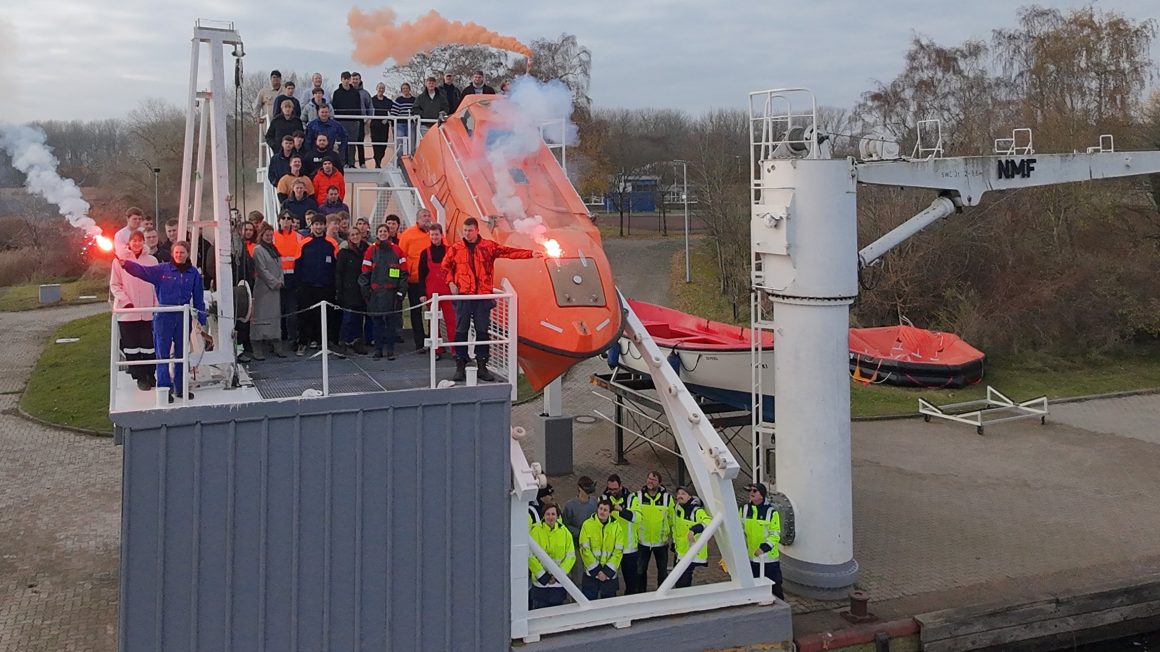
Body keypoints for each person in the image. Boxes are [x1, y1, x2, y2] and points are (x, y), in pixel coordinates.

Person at [442, 217, 541, 382]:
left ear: (476, 230)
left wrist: (530, 253)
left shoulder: (488, 246)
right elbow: (445, 267)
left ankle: (482, 365)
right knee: (461, 331)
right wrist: (451, 282)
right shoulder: (456, 248)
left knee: (482, 331)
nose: (467, 234)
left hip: (483, 297)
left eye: (470, 230)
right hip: (464, 296)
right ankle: (460, 365)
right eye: (465, 230)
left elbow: (508, 252)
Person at [117, 240, 207, 402]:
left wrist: (202, 317)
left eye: (183, 253)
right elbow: (143, 271)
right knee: (162, 353)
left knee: (181, 353)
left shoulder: (193, 273)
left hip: (182, 316)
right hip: (164, 316)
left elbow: (199, 298)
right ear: (173, 253)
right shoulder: (162, 270)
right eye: (177, 252)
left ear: (187, 254)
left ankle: (180, 387)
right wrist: (126, 264)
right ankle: (164, 388)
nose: (179, 255)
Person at [110, 230, 157, 391]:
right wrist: (125, 301)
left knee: (149, 346)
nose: (137, 243)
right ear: (129, 243)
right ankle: (140, 377)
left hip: (148, 312)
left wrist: (157, 307)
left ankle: (151, 373)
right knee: (132, 347)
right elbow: (115, 285)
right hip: (128, 313)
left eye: (140, 240)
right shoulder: (119, 262)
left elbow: (156, 284)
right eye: (134, 240)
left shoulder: (152, 260)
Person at [359, 223, 408, 360]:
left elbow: (403, 274)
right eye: (380, 231)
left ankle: (390, 351)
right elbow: (365, 272)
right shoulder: (370, 251)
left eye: (385, 231)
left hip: (392, 294)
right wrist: (366, 290)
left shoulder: (398, 251)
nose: (382, 233)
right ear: (377, 233)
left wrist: (400, 293)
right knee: (377, 323)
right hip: (375, 293)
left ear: (389, 233)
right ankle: (378, 350)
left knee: (391, 323)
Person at [294, 216, 337, 356]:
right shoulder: (304, 243)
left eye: (321, 224)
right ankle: (303, 342)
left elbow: (337, 265)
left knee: (324, 316)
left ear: (325, 226)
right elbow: (298, 265)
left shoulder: (331, 243)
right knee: (305, 316)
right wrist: (299, 285)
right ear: (311, 226)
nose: (318, 227)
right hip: (307, 286)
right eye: (316, 224)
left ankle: (321, 342)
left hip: (326, 286)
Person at [417, 222, 456, 358]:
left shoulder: (450, 251)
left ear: (441, 235)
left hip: (447, 291)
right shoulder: (424, 253)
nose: (434, 237)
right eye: (432, 235)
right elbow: (421, 274)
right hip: (431, 291)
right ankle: (436, 349)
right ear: (429, 235)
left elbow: (456, 270)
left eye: (437, 234)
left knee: (451, 320)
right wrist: (421, 293)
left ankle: (454, 349)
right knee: (433, 321)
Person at [398, 208, 433, 351]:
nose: (426, 218)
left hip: (430, 279)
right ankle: (419, 341)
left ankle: (432, 339)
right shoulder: (408, 235)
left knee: (433, 310)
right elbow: (401, 256)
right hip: (414, 279)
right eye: (423, 216)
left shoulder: (435, 233)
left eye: (428, 215)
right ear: (417, 219)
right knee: (415, 311)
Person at [741, 482, 784, 599]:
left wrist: (764, 548)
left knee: (775, 587)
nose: (751, 493)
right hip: (752, 558)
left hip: (769, 560)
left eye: (754, 491)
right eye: (750, 491)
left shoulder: (771, 512)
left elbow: (775, 534)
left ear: (762, 495)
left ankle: (779, 611)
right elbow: (740, 531)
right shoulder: (744, 510)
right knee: (755, 587)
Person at [528, 504, 575, 610]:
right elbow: (530, 556)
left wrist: (558, 575)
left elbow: (570, 556)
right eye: (547, 514)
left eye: (553, 514)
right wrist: (543, 576)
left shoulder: (565, 532)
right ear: (543, 516)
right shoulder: (535, 531)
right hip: (541, 585)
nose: (550, 517)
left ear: (558, 516)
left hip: (558, 585)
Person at [250, 223, 285, 359]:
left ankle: (277, 344)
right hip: (263, 289)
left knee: (275, 318)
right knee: (259, 317)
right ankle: (257, 347)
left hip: (275, 289)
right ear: (261, 236)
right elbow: (261, 269)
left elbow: (280, 267)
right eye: (267, 235)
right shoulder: (258, 250)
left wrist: (280, 280)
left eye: (271, 235)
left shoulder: (274, 249)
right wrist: (274, 282)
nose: (269, 237)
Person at [603, 474, 642, 594]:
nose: (613, 492)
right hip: (611, 549)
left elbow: (637, 517)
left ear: (621, 486)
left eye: (615, 489)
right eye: (610, 489)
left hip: (628, 548)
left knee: (631, 582)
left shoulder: (632, 499)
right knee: (609, 583)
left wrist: (621, 510)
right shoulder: (604, 499)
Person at [634, 470, 673, 590]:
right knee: (640, 571)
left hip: (661, 543)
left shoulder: (667, 499)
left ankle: (662, 596)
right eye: (649, 479)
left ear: (659, 483)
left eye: (654, 480)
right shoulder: (638, 497)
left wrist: (672, 538)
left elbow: (672, 520)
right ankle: (641, 595)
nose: (650, 482)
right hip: (642, 542)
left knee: (662, 572)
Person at [578, 499, 624, 600]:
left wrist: (606, 572)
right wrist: (597, 571)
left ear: (610, 512)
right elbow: (584, 549)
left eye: (605, 510)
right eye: (600, 509)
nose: (602, 512)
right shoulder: (587, 525)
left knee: (609, 607)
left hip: (609, 576)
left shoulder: (616, 527)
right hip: (591, 575)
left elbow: (618, 551)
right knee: (589, 606)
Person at [335, 227, 369, 355]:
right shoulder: (344, 253)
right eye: (352, 235)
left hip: (362, 289)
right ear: (349, 237)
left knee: (359, 318)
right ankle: (343, 342)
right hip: (348, 290)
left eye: (357, 234)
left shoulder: (367, 250)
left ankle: (357, 341)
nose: (355, 237)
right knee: (347, 318)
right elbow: (339, 273)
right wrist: (339, 290)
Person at [671, 486, 711, 588]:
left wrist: (694, 529)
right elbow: (675, 528)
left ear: (690, 497)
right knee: (678, 580)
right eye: (679, 493)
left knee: (683, 582)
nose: (680, 496)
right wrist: (675, 543)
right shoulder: (677, 508)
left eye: (683, 494)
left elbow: (708, 521)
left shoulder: (696, 511)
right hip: (680, 551)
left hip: (692, 552)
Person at [273, 212, 303, 344]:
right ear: (279, 221)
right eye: (283, 218)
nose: (286, 221)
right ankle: (277, 338)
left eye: (288, 218)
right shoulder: (272, 236)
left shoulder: (299, 237)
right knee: (277, 311)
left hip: (293, 279)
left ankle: (292, 339)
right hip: (276, 279)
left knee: (292, 312)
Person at [331, 72, 364, 167]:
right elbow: (334, 108)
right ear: (341, 80)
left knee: (352, 143)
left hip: (354, 121)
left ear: (350, 80)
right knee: (342, 143)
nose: (346, 81)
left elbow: (358, 107)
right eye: (344, 79)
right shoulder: (337, 93)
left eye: (347, 79)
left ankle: (351, 163)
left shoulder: (355, 92)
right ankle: (343, 163)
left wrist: (359, 119)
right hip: (340, 121)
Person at [352, 72, 375, 168]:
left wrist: (368, 119)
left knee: (360, 141)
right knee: (350, 142)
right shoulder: (347, 93)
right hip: (350, 120)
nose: (355, 81)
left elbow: (370, 107)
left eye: (356, 79)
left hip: (361, 120)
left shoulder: (365, 93)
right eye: (353, 79)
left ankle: (362, 162)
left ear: (360, 80)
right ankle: (350, 163)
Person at [369, 82, 394, 168]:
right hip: (374, 125)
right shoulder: (371, 100)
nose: (381, 90)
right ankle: (377, 161)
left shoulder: (388, 101)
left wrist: (387, 119)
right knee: (375, 144)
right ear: (376, 89)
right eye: (379, 88)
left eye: (383, 88)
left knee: (383, 144)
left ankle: (379, 158)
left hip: (384, 125)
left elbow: (393, 113)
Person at [391, 82, 416, 149]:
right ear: (401, 90)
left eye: (406, 88)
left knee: (411, 141)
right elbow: (393, 113)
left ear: (409, 89)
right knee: (400, 141)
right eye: (403, 88)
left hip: (411, 123)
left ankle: (411, 157)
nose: (405, 90)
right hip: (400, 124)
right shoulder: (399, 100)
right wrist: (393, 125)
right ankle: (399, 158)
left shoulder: (414, 100)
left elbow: (417, 111)